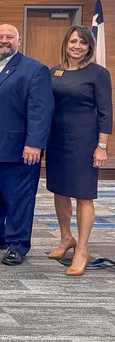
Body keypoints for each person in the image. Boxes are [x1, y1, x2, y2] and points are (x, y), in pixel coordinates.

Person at [0, 24, 54, 266]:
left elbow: (41, 110)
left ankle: (18, 244)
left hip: (17, 149)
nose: (4, 41)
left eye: (10, 37)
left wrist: (34, 144)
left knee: (18, 199)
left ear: (19, 41)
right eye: (0, 37)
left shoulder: (34, 70)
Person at [46, 25, 112, 276]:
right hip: (57, 139)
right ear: (66, 43)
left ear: (89, 47)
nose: (77, 46)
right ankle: (66, 239)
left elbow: (105, 111)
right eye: (73, 41)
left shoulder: (98, 73)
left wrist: (102, 146)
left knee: (83, 195)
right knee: (59, 190)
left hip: (84, 141)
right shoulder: (55, 71)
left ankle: (82, 250)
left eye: (82, 43)